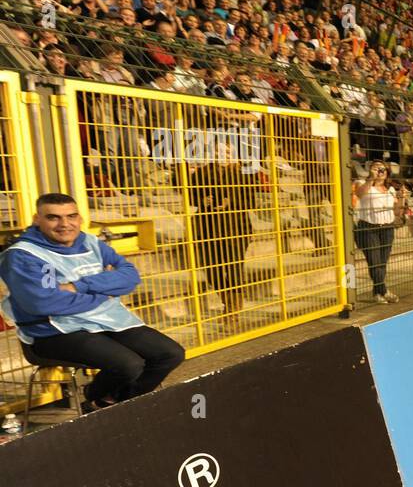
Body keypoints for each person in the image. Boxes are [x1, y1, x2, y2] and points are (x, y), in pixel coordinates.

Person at [0, 193, 185, 412]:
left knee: (170, 354)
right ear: (36, 219)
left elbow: (130, 275)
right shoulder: (27, 255)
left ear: (80, 218)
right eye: (53, 218)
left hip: (104, 320)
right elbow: (45, 303)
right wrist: (105, 293)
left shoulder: (91, 242)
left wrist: (79, 286)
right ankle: (102, 401)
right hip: (53, 330)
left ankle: (106, 403)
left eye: (72, 216)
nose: (65, 224)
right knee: (129, 364)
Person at [189, 157, 256, 325]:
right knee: (211, 270)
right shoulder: (200, 174)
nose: (223, 155)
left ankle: (233, 310)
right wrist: (202, 202)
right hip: (207, 229)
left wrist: (231, 202)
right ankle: (228, 304)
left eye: (227, 151)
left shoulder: (243, 174)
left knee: (234, 270)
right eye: (218, 150)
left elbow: (251, 201)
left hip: (236, 228)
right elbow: (188, 195)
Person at [352, 162, 404, 303]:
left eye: (382, 169)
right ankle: (384, 291)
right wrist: (371, 178)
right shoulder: (362, 183)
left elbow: (397, 212)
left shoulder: (390, 189)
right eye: (376, 167)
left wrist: (402, 198)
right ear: (370, 170)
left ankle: (377, 293)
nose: (380, 171)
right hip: (368, 228)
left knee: (382, 262)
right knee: (374, 262)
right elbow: (359, 194)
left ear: (387, 172)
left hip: (387, 228)